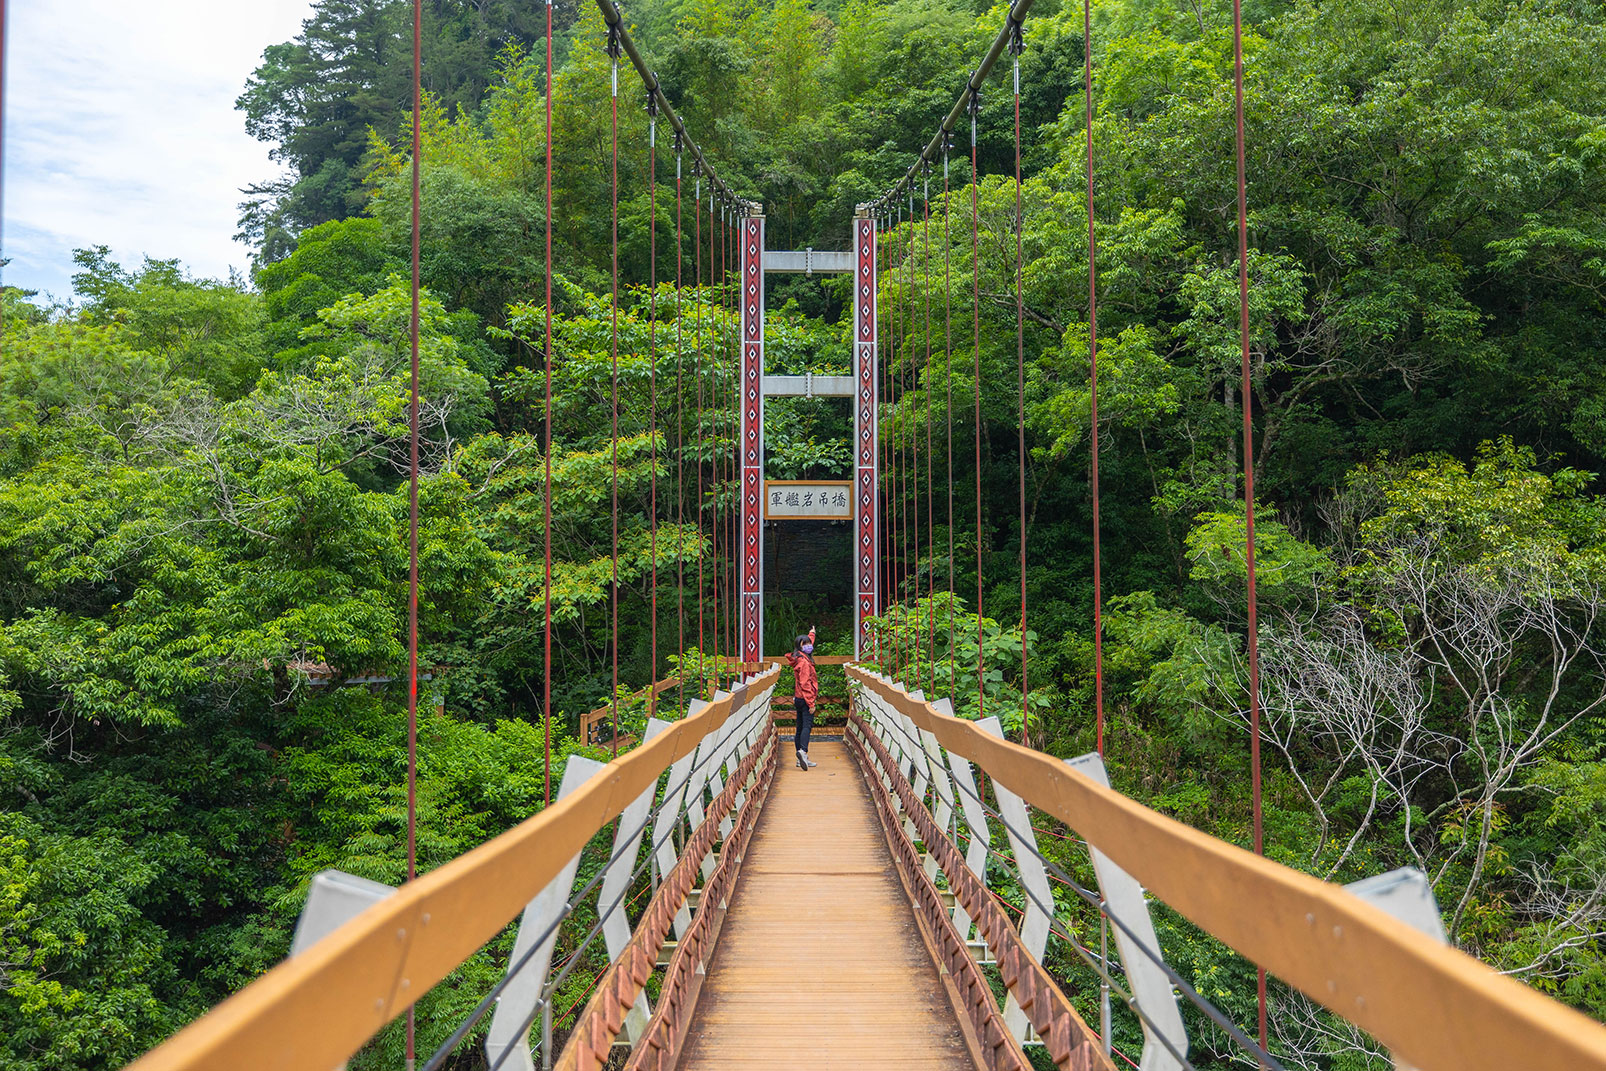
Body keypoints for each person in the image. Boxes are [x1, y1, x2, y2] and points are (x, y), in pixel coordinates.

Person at [785, 628, 818, 770]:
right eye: (805, 644)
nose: (809, 646)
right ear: (800, 647)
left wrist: (812, 633)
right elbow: (805, 683)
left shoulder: (799, 657)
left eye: (809, 643)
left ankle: (800, 758)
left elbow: (809, 643)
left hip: (798, 698)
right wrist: (811, 702)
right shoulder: (804, 663)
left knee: (799, 727)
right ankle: (803, 752)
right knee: (806, 726)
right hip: (805, 698)